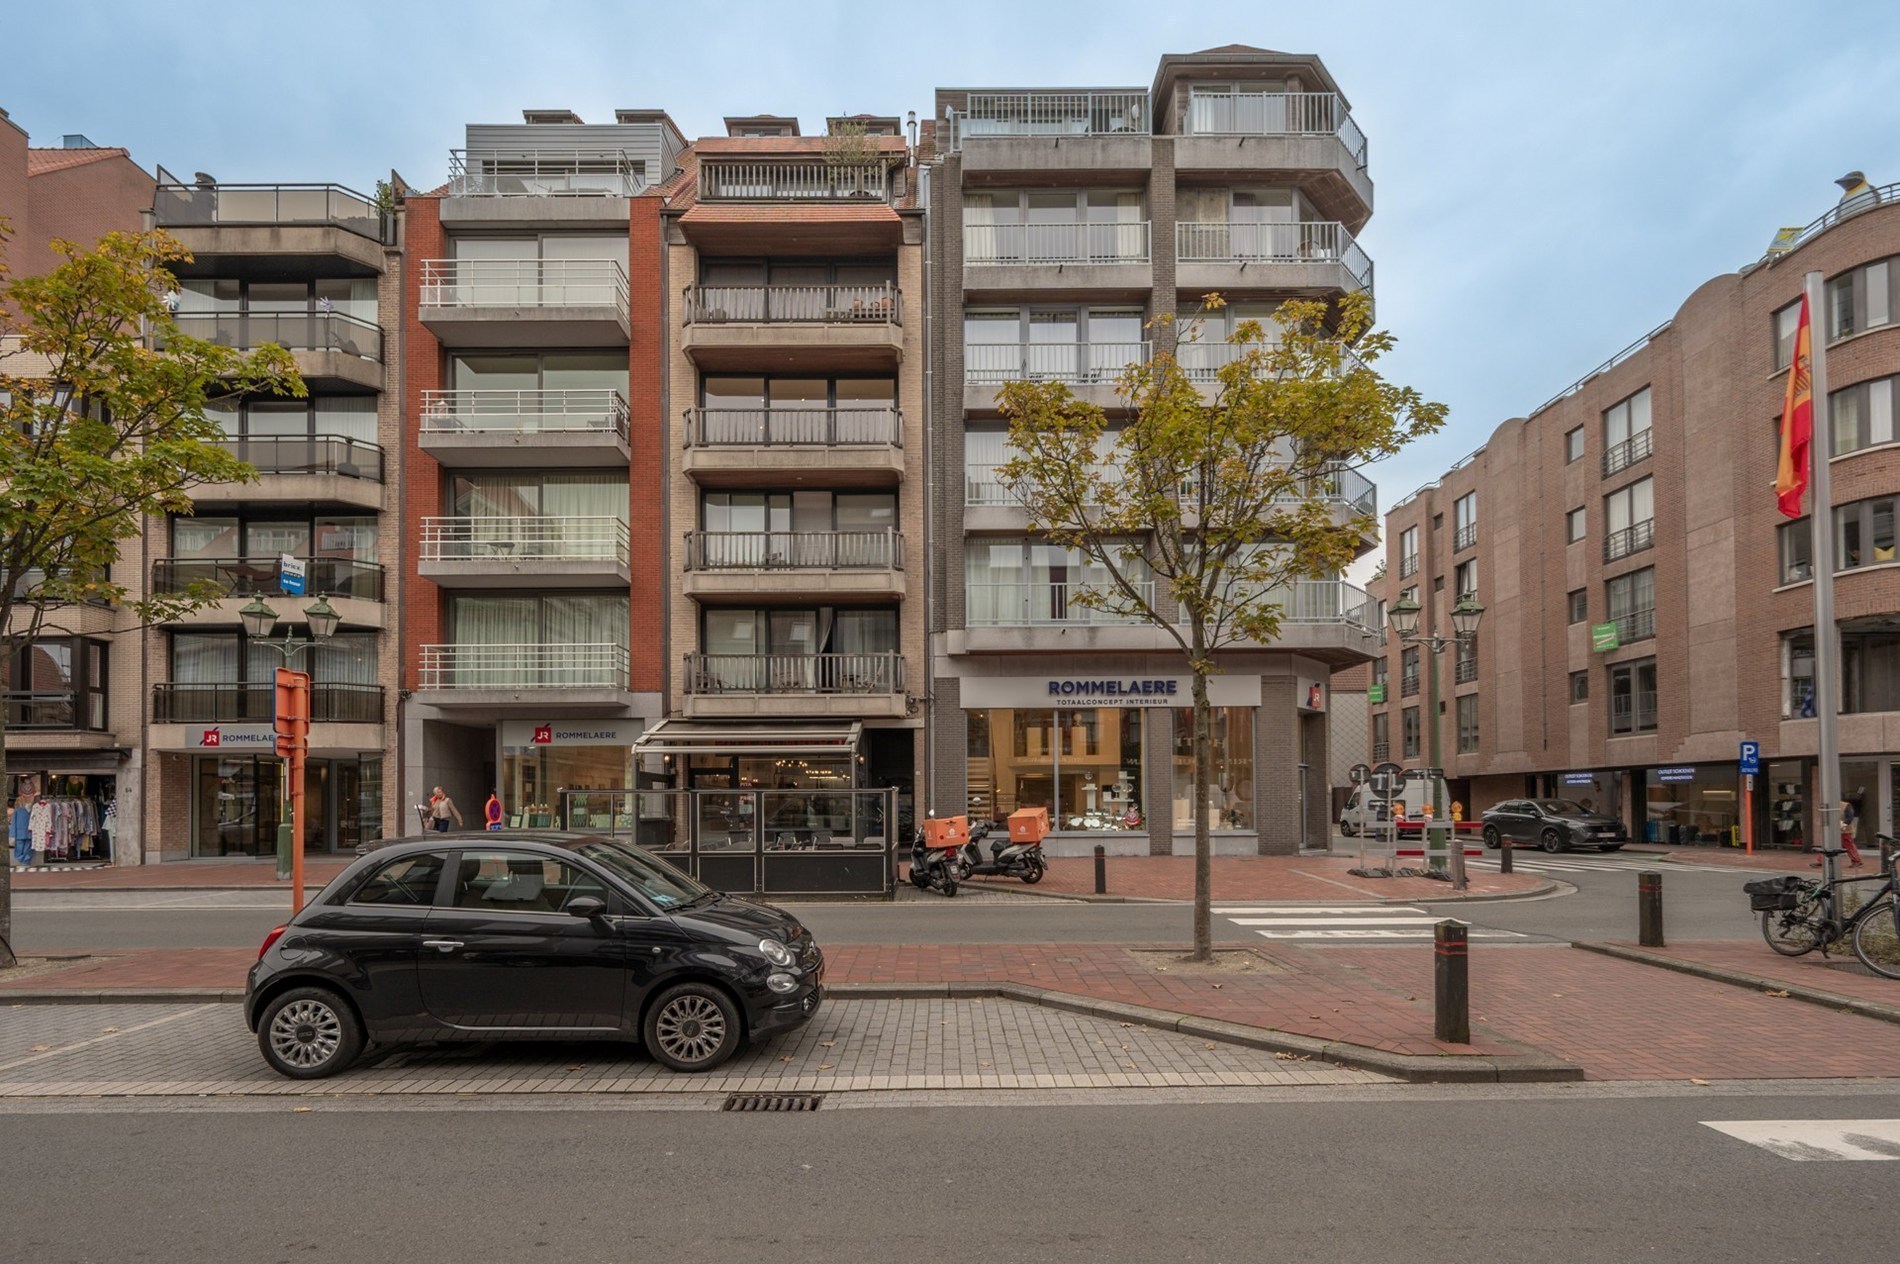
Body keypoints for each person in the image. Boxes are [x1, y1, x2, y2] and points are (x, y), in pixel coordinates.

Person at [1816, 798, 1865, 868]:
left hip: (1844, 830)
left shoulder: (1845, 805)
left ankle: (1857, 861)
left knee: (1849, 846)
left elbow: (1849, 817)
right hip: (1832, 829)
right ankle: (1821, 861)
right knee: (1826, 844)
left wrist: (1844, 824)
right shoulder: (1829, 806)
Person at [10, 794, 33, 869]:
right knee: (25, 849)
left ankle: (25, 862)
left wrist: (12, 834)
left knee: (21, 850)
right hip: (26, 834)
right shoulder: (29, 810)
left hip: (21, 834)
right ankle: (25, 862)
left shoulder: (18, 811)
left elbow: (13, 823)